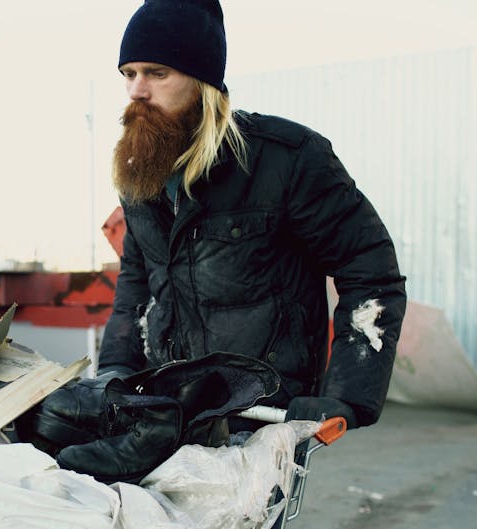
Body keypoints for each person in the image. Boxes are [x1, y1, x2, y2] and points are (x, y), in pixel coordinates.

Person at [97, 0, 407, 432]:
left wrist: (344, 396)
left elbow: (370, 271)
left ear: (203, 82)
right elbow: (136, 283)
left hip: (264, 416)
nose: (137, 90)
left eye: (157, 73)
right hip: (168, 412)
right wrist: (113, 370)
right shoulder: (140, 173)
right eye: (129, 74)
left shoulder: (287, 160)